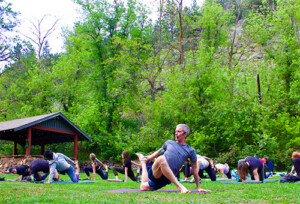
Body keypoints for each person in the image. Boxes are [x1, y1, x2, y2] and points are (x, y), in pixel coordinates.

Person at [136, 124, 210, 193]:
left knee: (143, 187)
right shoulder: (169, 143)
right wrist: (148, 157)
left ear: (185, 134)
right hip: (156, 172)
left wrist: (198, 188)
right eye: (175, 131)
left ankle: (143, 163)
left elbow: (194, 169)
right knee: (161, 158)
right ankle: (180, 187)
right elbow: (159, 152)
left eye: (179, 131)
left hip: (167, 178)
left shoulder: (190, 150)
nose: (176, 133)